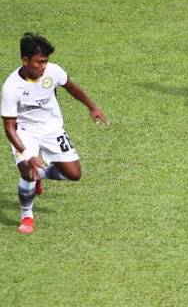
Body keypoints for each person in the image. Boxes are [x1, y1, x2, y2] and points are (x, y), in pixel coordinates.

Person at [1, 33, 108, 234]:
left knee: (74, 174)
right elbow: (9, 127)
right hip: (25, 132)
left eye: (45, 62)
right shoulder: (11, 87)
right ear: (25, 61)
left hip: (51, 128)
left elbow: (71, 87)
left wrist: (91, 106)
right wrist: (27, 155)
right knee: (27, 170)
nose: (43, 67)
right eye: (38, 63)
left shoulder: (53, 72)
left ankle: (40, 174)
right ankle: (27, 215)